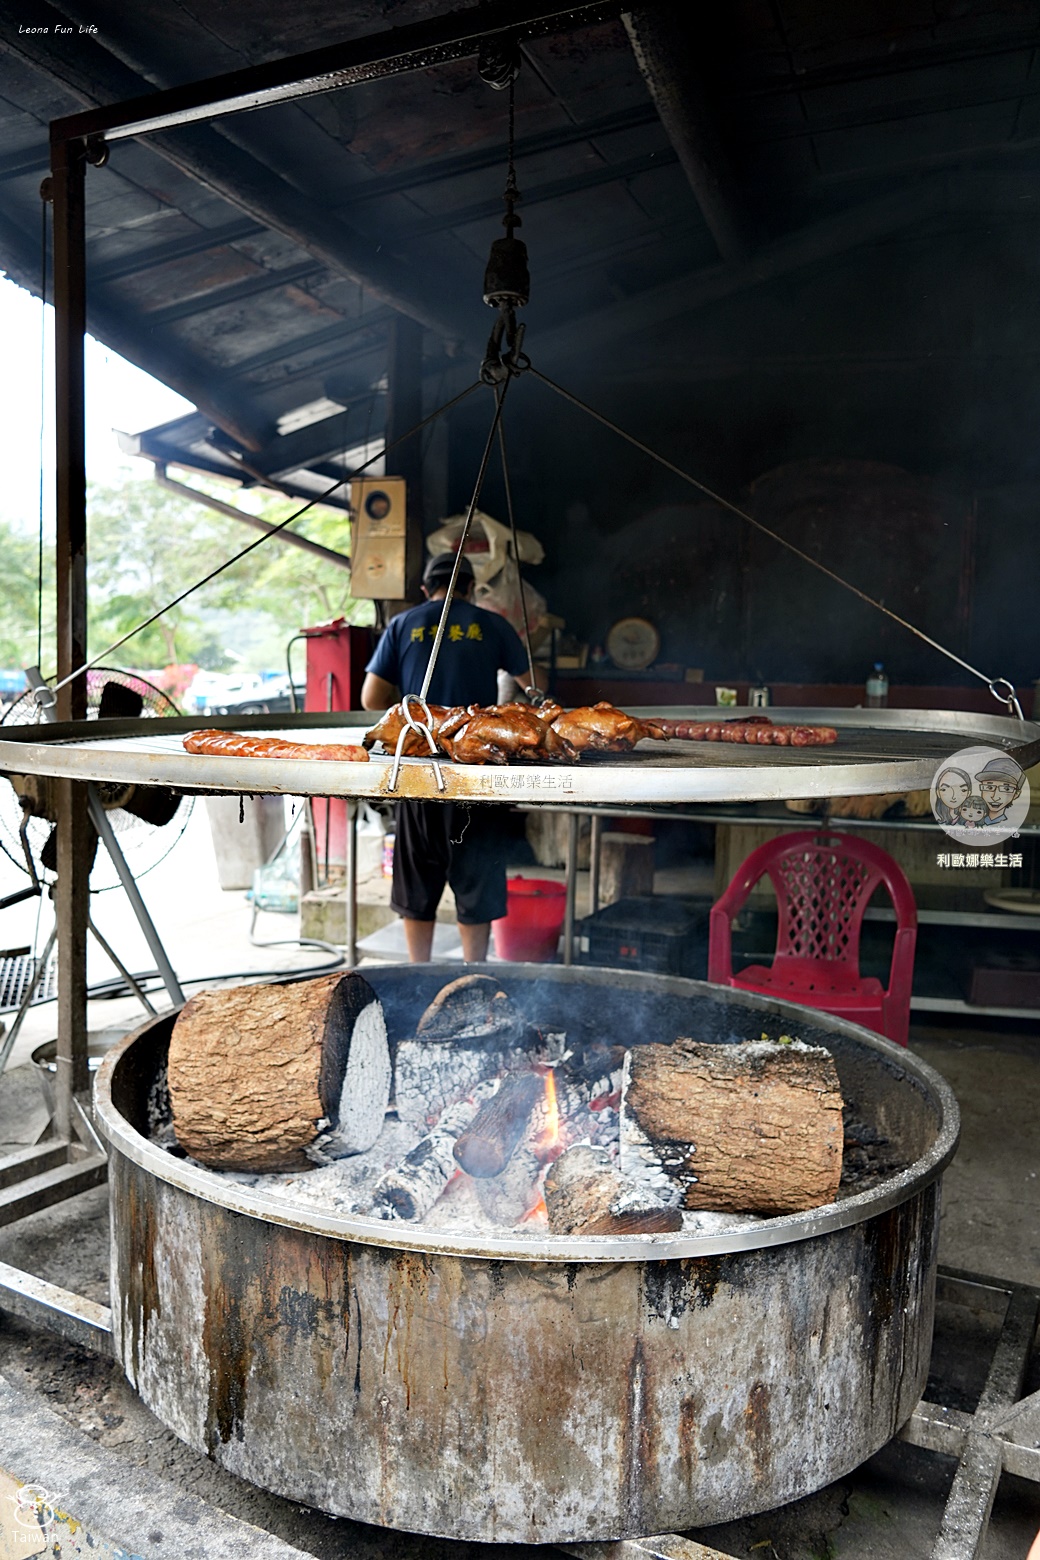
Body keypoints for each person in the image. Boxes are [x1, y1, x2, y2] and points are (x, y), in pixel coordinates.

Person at [360, 551, 533, 964]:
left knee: (417, 881)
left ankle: (419, 972)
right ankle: (475, 974)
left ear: (425, 588)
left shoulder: (403, 624)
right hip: (476, 774)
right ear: (472, 588)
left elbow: (370, 699)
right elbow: (534, 689)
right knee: (477, 880)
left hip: (420, 773)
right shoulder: (492, 624)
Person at [974, 754, 1025, 827]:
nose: (995, 797)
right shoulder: (966, 822)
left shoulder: (1012, 826)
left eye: (1006, 789)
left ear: (1016, 794)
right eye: (989, 787)